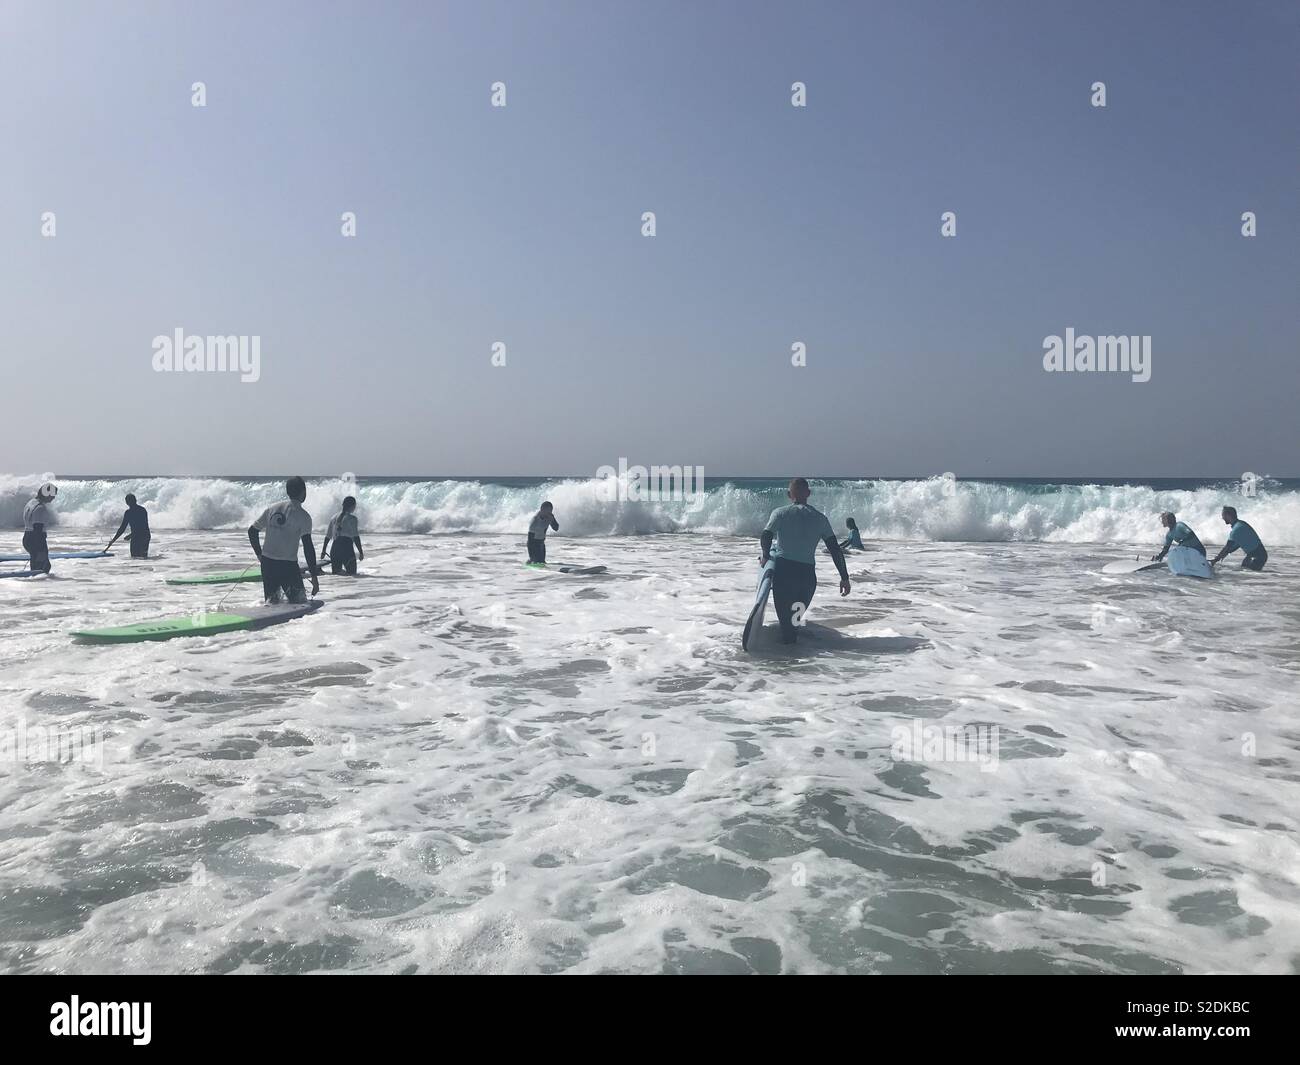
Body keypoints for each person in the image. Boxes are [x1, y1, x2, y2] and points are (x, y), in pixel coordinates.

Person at [760, 478, 851, 644]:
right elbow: (835, 549)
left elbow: (766, 535)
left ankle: (786, 661)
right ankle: (798, 658)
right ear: (808, 494)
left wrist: (765, 555)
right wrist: (844, 577)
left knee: (786, 624)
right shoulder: (820, 518)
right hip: (807, 578)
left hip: (784, 575)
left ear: (789, 494)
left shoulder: (780, 513)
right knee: (795, 620)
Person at [248, 476, 321, 603]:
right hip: (287, 566)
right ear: (303, 492)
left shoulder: (272, 509)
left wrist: (259, 554)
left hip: (268, 563)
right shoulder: (303, 516)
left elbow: (252, 531)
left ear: (288, 492)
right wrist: (314, 577)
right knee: (299, 604)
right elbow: (308, 547)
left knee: (272, 604)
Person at [1211, 506, 1267, 571]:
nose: (1222, 518)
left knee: (1247, 574)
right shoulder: (1241, 524)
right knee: (1244, 570)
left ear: (1228, 515)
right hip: (1256, 555)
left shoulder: (1236, 529)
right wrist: (1224, 554)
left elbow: (1227, 547)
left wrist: (1215, 560)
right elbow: (1237, 544)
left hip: (1257, 556)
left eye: (1223, 515)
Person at [322, 495, 363, 576]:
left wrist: (323, 550)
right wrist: (361, 552)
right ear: (352, 506)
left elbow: (328, 536)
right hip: (346, 548)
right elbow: (355, 537)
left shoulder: (333, 517)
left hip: (335, 549)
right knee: (352, 575)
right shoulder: (352, 519)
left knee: (337, 577)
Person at [22, 482, 57, 574]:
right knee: (43, 568)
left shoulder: (31, 502)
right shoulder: (40, 508)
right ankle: (38, 586)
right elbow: (38, 530)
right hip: (35, 539)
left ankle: (34, 585)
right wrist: (42, 550)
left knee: (36, 566)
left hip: (27, 537)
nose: (54, 497)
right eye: (53, 495)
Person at [107, 493, 151, 558]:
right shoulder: (130, 512)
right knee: (135, 557)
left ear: (127, 502)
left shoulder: (140, 511)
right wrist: (113, 540)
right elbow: (122, 528)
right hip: (137, 536)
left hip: (144, 536)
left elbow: (143, 526)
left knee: (140, 557)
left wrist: (131, 535)